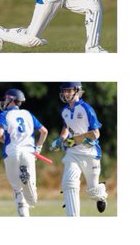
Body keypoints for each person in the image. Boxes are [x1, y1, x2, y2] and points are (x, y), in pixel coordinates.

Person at [0, 88, 47, 218]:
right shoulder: (28, 114)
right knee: (32, 199)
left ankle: (24, 216)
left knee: (18, 191)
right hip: (29, 153)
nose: (4, 101)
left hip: (11, 153)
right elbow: (44, 131)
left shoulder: (4, 115)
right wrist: (38, 149)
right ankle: (27, 179)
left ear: (11, 100)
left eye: (6, 98)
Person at [54, 81, 108, 215]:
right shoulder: (64, 111)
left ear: (77, 90)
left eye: (69, 90)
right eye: (64, 91)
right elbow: (66, 127)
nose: (66, 94)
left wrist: (90, 141)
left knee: (93, 189)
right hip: (73, 152)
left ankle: (100, 195)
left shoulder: (86, 109)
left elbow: (96, 133)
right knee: (69, 184)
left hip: (90, 153)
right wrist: (61, 139)